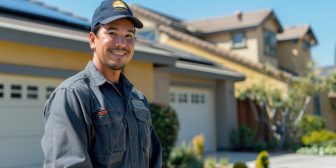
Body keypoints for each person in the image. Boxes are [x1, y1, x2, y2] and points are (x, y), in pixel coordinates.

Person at [41, 0, 162, 167]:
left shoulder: (138, 100)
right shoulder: (72, 96)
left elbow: (153, 160)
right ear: (92, 40)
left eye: (129, 35)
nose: (122, 43)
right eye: (112, 33)